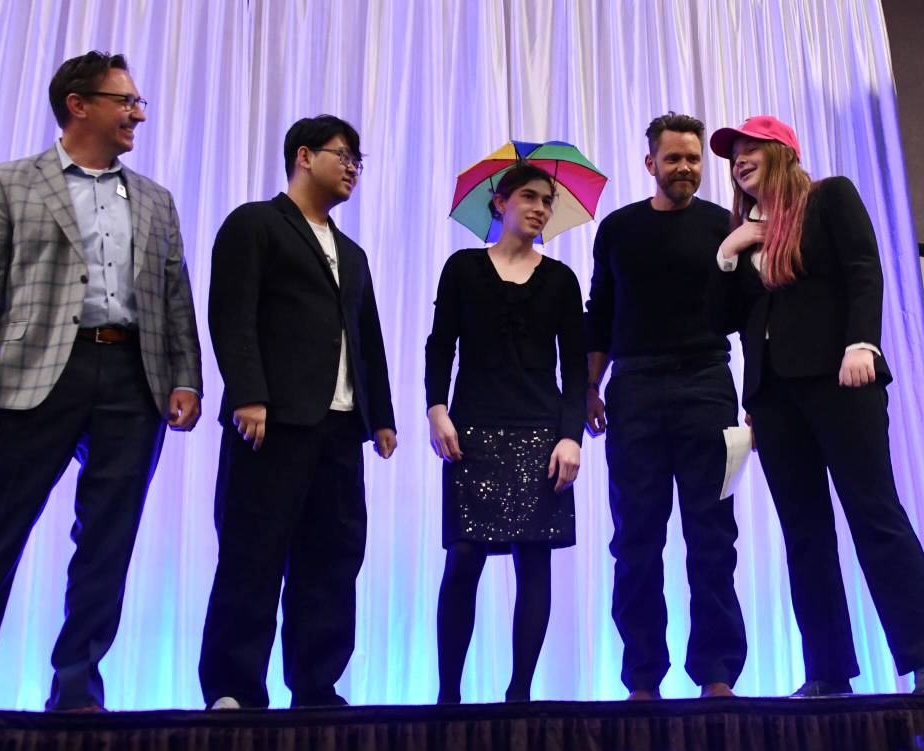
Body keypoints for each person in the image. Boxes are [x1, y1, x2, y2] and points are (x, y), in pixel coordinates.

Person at [0, 51, 203, 712]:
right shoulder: (12, 182)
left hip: (134, 378)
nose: (137, 113)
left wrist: (186, 377)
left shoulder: (156, 199)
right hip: (35, 376)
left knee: (107, 539)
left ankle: (77, 687)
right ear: (79, 104)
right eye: (124, 100)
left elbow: (175, 297)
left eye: (137, 102)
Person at [708, 115, 924, 697]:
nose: (740, 159)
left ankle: (922, 653)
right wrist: (729, 254)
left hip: (840, 377)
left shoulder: (830, 197)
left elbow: (862, 270)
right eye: (734, 155)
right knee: (804, 532)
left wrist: (862, 342)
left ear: (782, 152)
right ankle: (828, 672)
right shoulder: (745, 230)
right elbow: (729, 318)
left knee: (874, 514)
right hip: (774, 397)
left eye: (751, 148)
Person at [200, 115, 397, 709]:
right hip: (274, 420)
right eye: (344, 155)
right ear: (305, 156)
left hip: (340, 426)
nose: (353, 168)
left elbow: (368, 335)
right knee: (252, 551)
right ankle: (234, 689)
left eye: (360, 160)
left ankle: (315, 684)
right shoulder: (256, 224)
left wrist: (381, 415)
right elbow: (231, 314)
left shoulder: (353, 252)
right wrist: (248, 394)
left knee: (334, 558)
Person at [584, 113, 747, 700]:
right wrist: (589, 386)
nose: (685, 168)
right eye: (673, 158)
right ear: (650, 163)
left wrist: (753, 399)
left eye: (694, 159)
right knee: (635, 538)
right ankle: (643, 680)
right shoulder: (619, 229)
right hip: (636, 392)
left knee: (712, 536)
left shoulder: (726, 224)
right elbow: (599, 311)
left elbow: (747, 313)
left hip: (708, 384)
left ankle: (718, 674)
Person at [426, 162, 586, 703]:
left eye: (548, 200)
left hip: (540, 432)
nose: (541, 207)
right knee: (464, 557)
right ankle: (449, 693)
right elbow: (439, 344)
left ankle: (519, 693)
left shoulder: (562, 279)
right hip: (473, 429)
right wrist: (435, 409)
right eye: (530, 197)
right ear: (500, 202)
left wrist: (571, 437)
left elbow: (575, 367)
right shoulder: (463, 269)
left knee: (533, 557)